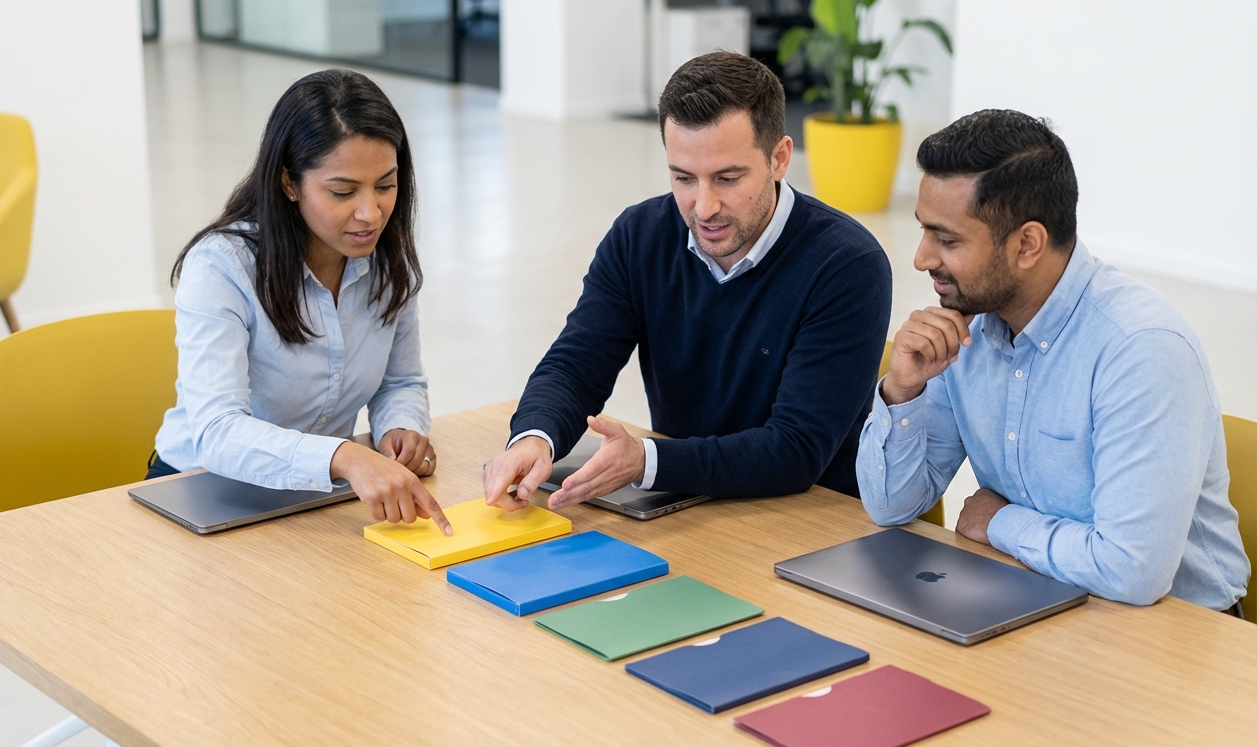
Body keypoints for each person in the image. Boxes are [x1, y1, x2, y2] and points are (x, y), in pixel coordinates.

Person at [859, 109, 1249, 613]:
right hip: (1032, 595)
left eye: (947, 239)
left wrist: (998, 521)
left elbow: (1132, 572)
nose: (921, 258)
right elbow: (891, 506)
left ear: (1027, 244)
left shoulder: (1141, 348)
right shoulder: (968, 330)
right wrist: (902, 390)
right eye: (924, 232)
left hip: (1177, 634)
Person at [482, 52, 893, 511]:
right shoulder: (639, 236)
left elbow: (795, 450)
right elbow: (576, 365)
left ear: (779, 159)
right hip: (684, 503)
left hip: (808, 519)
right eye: (683, 178)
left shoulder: (847, 264)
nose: (704, 207)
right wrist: (535, 438)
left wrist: (646, 461)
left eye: (728, 178)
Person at [150, 69, 452, 536]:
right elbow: (217, 430)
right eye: (342, 192)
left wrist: (401, 428)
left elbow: (400, 380)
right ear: (289, 183)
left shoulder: (388, 259)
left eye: (386, 185)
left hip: (318, 496)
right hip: (201, 493)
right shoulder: (221, 267)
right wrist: (344, 455)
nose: (370, 213)